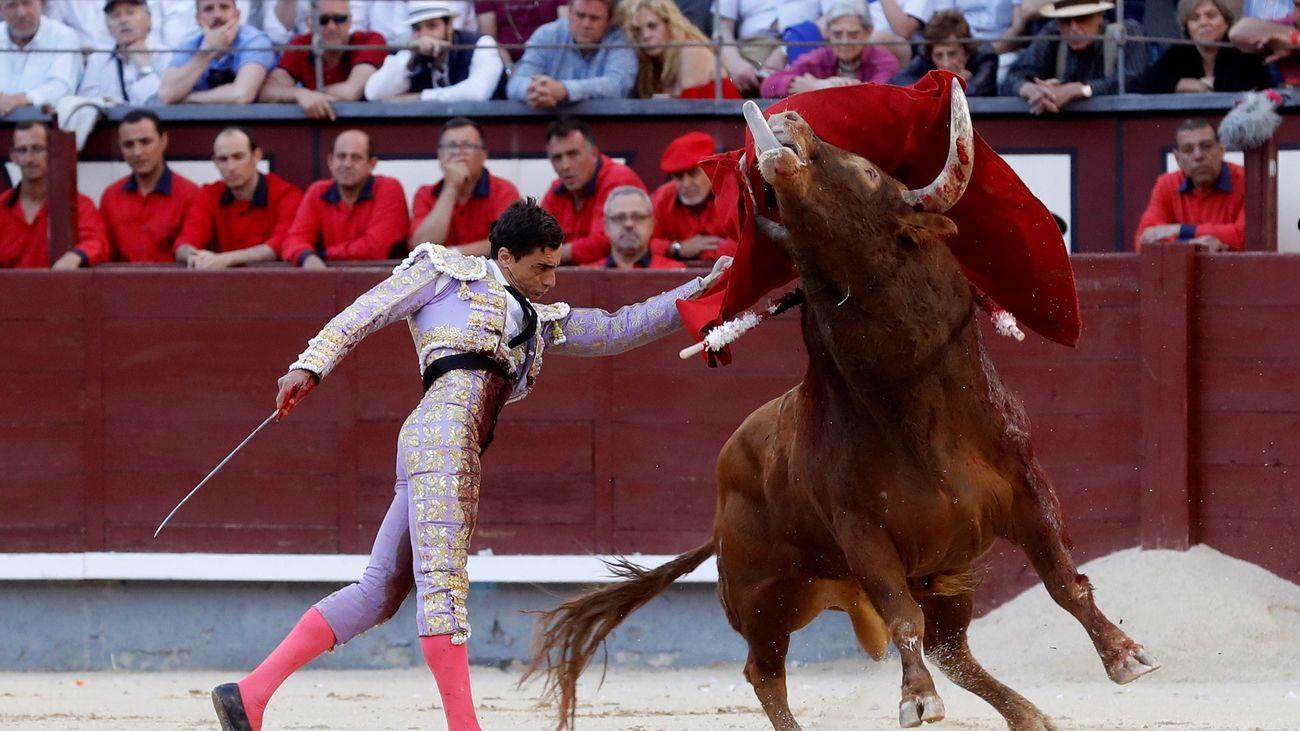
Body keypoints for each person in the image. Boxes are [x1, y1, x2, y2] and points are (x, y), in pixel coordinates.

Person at [208, 197, 731, 731]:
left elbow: (620, 328)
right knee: (443, 588)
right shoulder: (443, 273)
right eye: (541, 267)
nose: (552, 281)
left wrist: (699, 289)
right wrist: (309, 365)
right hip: (445, 439)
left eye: (556, 266)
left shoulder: (538, 319)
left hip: (440, 440)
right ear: (505, 257)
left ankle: (248, 695)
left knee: (379, 591)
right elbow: (366, 311)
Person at [174, 127, 304, 269]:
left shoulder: (286, 194)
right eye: (223, 159)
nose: (231, 167)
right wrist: (191, 255)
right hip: (222, 286)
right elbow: (186, 241)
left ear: (256, 156)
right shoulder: (208, 194)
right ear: (215, 162)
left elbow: (281, 244)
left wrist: (227, 259)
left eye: (238, 157)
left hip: (273, 285)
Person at [279, 129, 410, 267]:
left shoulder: (389, 188)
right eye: (341, 156)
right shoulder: (317, 191)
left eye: (356, 157)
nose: (347, 164)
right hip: (329, 283)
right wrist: (307, 256)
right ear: (330, 161)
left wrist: (321, 255)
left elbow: (374, 249)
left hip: (385, 284)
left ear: (372, 164)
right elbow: (293, 241)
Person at [1001, 0, 1148, 114]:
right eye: (1065, 20)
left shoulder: (1126, 31)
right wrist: (1033, 90)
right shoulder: (1054, 32)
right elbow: (1012, 78)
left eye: (1082, 18)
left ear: (1099, 16)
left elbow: (1131, 81)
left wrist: (1078, 90)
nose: (1073, 28)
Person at [538, 116, 646, 265]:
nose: (565, 166)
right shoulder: (557, 189)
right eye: (557, 158)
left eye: (573, 154)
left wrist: (548, 254)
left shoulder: (618, 179)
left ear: (594, 154)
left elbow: (604, 242)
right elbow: (536, 240)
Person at [98, 109, 202, 263]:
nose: (137, 152)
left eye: (145, 142)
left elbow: (191, 245)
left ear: (163, 141)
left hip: (174, 284)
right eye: (128, 145)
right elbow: (101, 248)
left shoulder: (191, 195)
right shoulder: (110, 196)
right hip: (123, 285)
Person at [0, 122, 106, 269]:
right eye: (22, 150)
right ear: (14, 156)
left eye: (37, 149)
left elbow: (98, 242)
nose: (30, 159)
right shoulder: (2, 206)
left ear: (52, 151)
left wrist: (76, 256)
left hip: (56, 290)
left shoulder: (77, 203)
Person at [409, 117, 521, 256]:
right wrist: (450, 187)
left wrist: (453, 254)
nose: (458, 153)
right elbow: (421, 247)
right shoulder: (425, 194)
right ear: (439, 155)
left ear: (484, 154)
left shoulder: (503, 191)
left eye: (467, 145)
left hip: (492, 275)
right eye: (451, 146)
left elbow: (510, 242)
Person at [258, 0, 386, 119]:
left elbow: (350, 92)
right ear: (310, 23)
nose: (331, 27)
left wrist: (309, 95)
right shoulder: (302, 44)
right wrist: (300, 94)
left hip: (365, 123)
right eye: (323, 20)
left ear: (350, 21)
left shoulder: (370, 41)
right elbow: (266, 90)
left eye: (339, 19)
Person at [1134, 118, 1245, 252]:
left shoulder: (1245, 181)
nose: (1198, 155)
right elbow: (1144, 240)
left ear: (1221, 150)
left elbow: (1245, 236)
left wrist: (1179, 230)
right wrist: (1192, 244)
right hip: (1179, 272)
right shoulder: (1167, 184)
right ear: (1178, 158)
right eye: (1188, 149)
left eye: (1206, 146)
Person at [364, 0, 504, 102]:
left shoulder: (480, 43)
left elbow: (478, 93)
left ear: (449, 26)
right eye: (417, 29)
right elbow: (373, 93)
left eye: (432, 26)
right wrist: (409, 57)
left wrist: (420, 97)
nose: (424, 36)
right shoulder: (409, 52)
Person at [505, 0, 636, 107]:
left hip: (606, 127)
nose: (585, 24)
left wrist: (564, 90)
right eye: (580, 15)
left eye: (594, 18)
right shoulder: (547, 34)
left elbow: (618, 85)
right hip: (552, 125)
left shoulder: (621, 39)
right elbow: (516, 83)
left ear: (608, 20)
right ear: (569, 12)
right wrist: (535, 91)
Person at [761, 0, 899, 98]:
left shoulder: (884, 60)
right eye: (837, 34)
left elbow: (879, 95)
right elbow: (767, 86)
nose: (844, 42)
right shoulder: (821, 57)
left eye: (853, 34)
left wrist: (824, 88)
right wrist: (812, 84)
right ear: (828, 33)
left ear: (868, 32)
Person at [158, 0, 276, 105]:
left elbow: (241, 95)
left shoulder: (255, 40)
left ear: (237, 15)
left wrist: (188, 98)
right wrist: (207, 52)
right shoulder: (189, 44)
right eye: (208, 9)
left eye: (224, 7)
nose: (217, 15)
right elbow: (167, 94)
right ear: (198, 19)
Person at [1141, 0, 1273, 92]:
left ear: (1226, 21)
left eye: (1211, 16)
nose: (1203, 23)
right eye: (1194, 18)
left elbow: (1254, 83)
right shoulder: (1180, 51)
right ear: (1187, 26)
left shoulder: (1241, 49)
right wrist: (1184, 85)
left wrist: (1210, 83)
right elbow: (1147, 83)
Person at [617, 0, 740, 99]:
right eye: (637, 30)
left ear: (670, 25)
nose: (645, 35)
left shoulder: (690, 50)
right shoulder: (653, 66)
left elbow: (689, 112)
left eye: (652, 26)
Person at [650, 131, 738, 266]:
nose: (686, 184)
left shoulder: (734, 191)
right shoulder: (662, 198)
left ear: (711, 168)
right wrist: (677, 248)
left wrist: (697, 252)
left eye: (693, 173)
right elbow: (643, 242)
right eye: (678, 176)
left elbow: (745, 241)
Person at [0, 0, 82, 117]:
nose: (21, 13)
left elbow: (63, 88)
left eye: (27, 3)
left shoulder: (63, 36)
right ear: (0, 10)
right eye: (11, 5)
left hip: (45, 124)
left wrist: (22, 99)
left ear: (42, 5)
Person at [77, 0, 169, 105]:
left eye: (130, 13)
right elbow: (85, 104)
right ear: (107, 25)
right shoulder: (98, 59)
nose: (123, 20)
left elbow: (162, 104)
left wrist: (144, 68)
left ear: (148, 19)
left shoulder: (166, 56)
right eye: (115, 16)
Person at [890, 9, 999, 96]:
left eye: (952, 54)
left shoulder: (986, 56)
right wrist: (945, 81)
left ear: (966, 51)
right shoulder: (925, 55)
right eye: (938, 55)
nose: (945, 63)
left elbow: (975, 91)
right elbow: (896, 82)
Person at [587, 186, 686, 269]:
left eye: (637, 217)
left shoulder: (674, 272)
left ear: (652, 225)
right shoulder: (587, 276)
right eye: (619, 218)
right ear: (606, 226)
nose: (629, 224)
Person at [475, 0, 567, 68]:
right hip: (507, 61)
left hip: (552, 58)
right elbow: (489, 40)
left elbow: (565, 31)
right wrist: (509, 67)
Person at [1229, 0, 1300, 85]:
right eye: (1298, 6)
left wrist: (1296, 40)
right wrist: (1292, 36)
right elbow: (1237, 32)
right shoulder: (1291, 22)